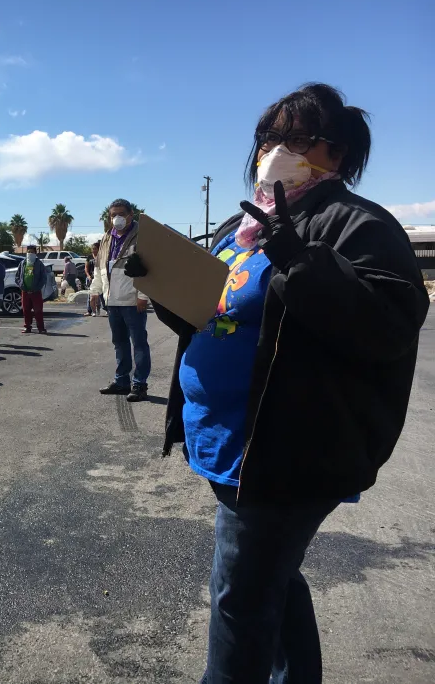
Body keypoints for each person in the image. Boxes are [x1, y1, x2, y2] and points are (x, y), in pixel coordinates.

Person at [127, 83, 429, 683]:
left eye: (293, 139)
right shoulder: (244, 228)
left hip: (284, 452)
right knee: (273, 582)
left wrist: (297, 257)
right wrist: (162, 287)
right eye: (268, 138)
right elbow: (210, 314)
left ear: (334, 154)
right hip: (231, 443)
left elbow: (387, 328)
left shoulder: (359, 225)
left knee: (240, 599)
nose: (272, 151)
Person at [89, 198, 151, 402]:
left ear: (130, 215)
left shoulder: (142, 236)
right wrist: (95, 292)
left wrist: (143, 296)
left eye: (120, 214)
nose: (116, 218)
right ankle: (122, 381)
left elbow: (149, 269)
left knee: (139, 343)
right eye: (112, 215)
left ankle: (140, 384)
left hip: (133, 301)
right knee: (120, 342)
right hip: (112, 300)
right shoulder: (107, 238)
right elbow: (100, 268)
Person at [14, 244, 47, 334]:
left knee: (38, 310)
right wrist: (22, 286)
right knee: (26, 310)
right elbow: (17, 277)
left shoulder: (39, 264)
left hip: (36, 292)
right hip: (25, 291)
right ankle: (27, 327)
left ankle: (41, 328)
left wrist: (36, 288)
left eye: (32, 252)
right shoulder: (23, 263)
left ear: (35, 253)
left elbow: (43, 278)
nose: (30, 254)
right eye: (28, 252)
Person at [85, 241, 105, 316]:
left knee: (101, 295)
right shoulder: (89, 257)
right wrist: (88, 276)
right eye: (93, 249)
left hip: (100, 278)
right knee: (91, 296)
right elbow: (86, 268)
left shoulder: (102, 257)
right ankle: (90, 311)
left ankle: (105, 309)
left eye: (95, 249)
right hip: (91, 278)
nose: (94, 250)